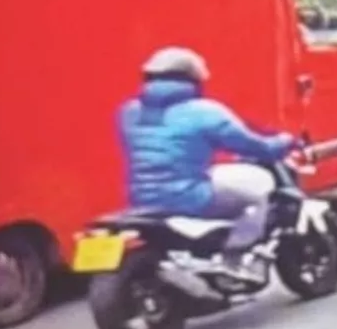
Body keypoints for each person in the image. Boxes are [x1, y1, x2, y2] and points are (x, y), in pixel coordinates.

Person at [117, 47, 297, 282]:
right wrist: (284, 142)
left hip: (140, 198)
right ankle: (236, 257)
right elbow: (254, 146)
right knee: (258, 196)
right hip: (189, 197)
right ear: (191, 79)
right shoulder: (204, 112)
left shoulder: (128, 112)